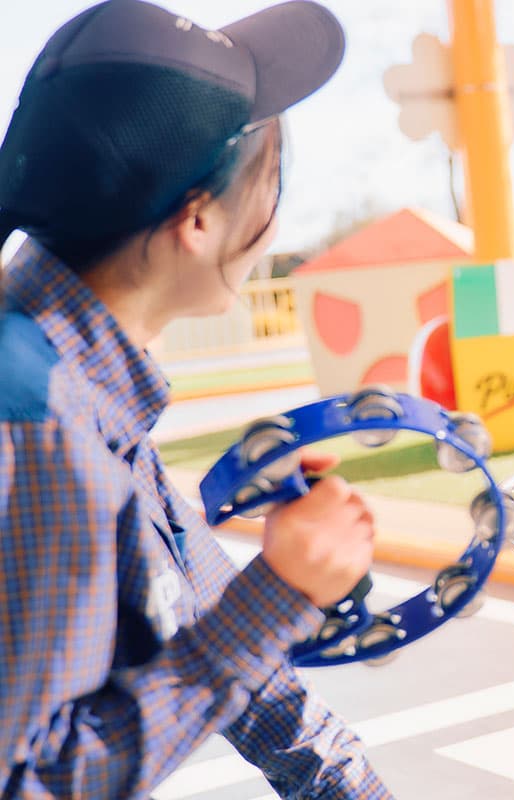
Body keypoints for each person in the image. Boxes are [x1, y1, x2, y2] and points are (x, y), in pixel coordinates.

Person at [0, 2, 391, 797]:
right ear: (200, 219)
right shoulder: (37, 421)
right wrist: (281, 592)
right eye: (269, 181)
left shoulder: (88, 392)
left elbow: (256, 679)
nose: (274, 219)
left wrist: (293, 584)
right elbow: (31, 779)